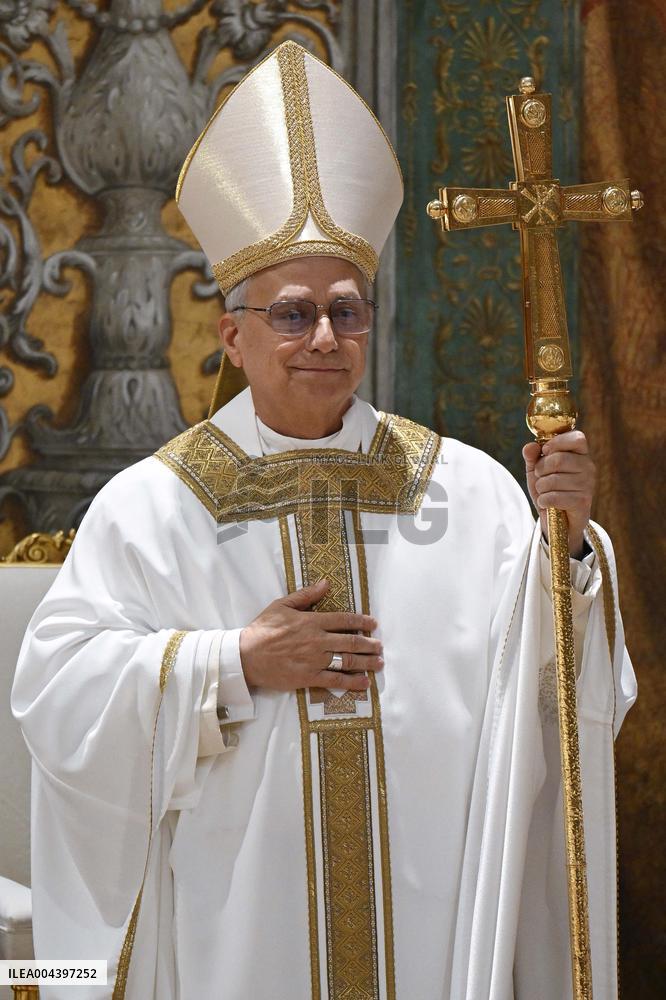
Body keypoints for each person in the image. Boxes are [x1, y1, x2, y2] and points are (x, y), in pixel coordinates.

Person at [12, 41, 635, 1000]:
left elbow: (550, 685)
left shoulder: (463, 490)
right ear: (233, 332)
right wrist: (232, 662)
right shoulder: (154, 505)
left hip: (435, 914)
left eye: (346, 312)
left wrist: (569, 546)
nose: (326, 340)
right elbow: (58, 695)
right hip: (234, 925)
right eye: (294, 314)